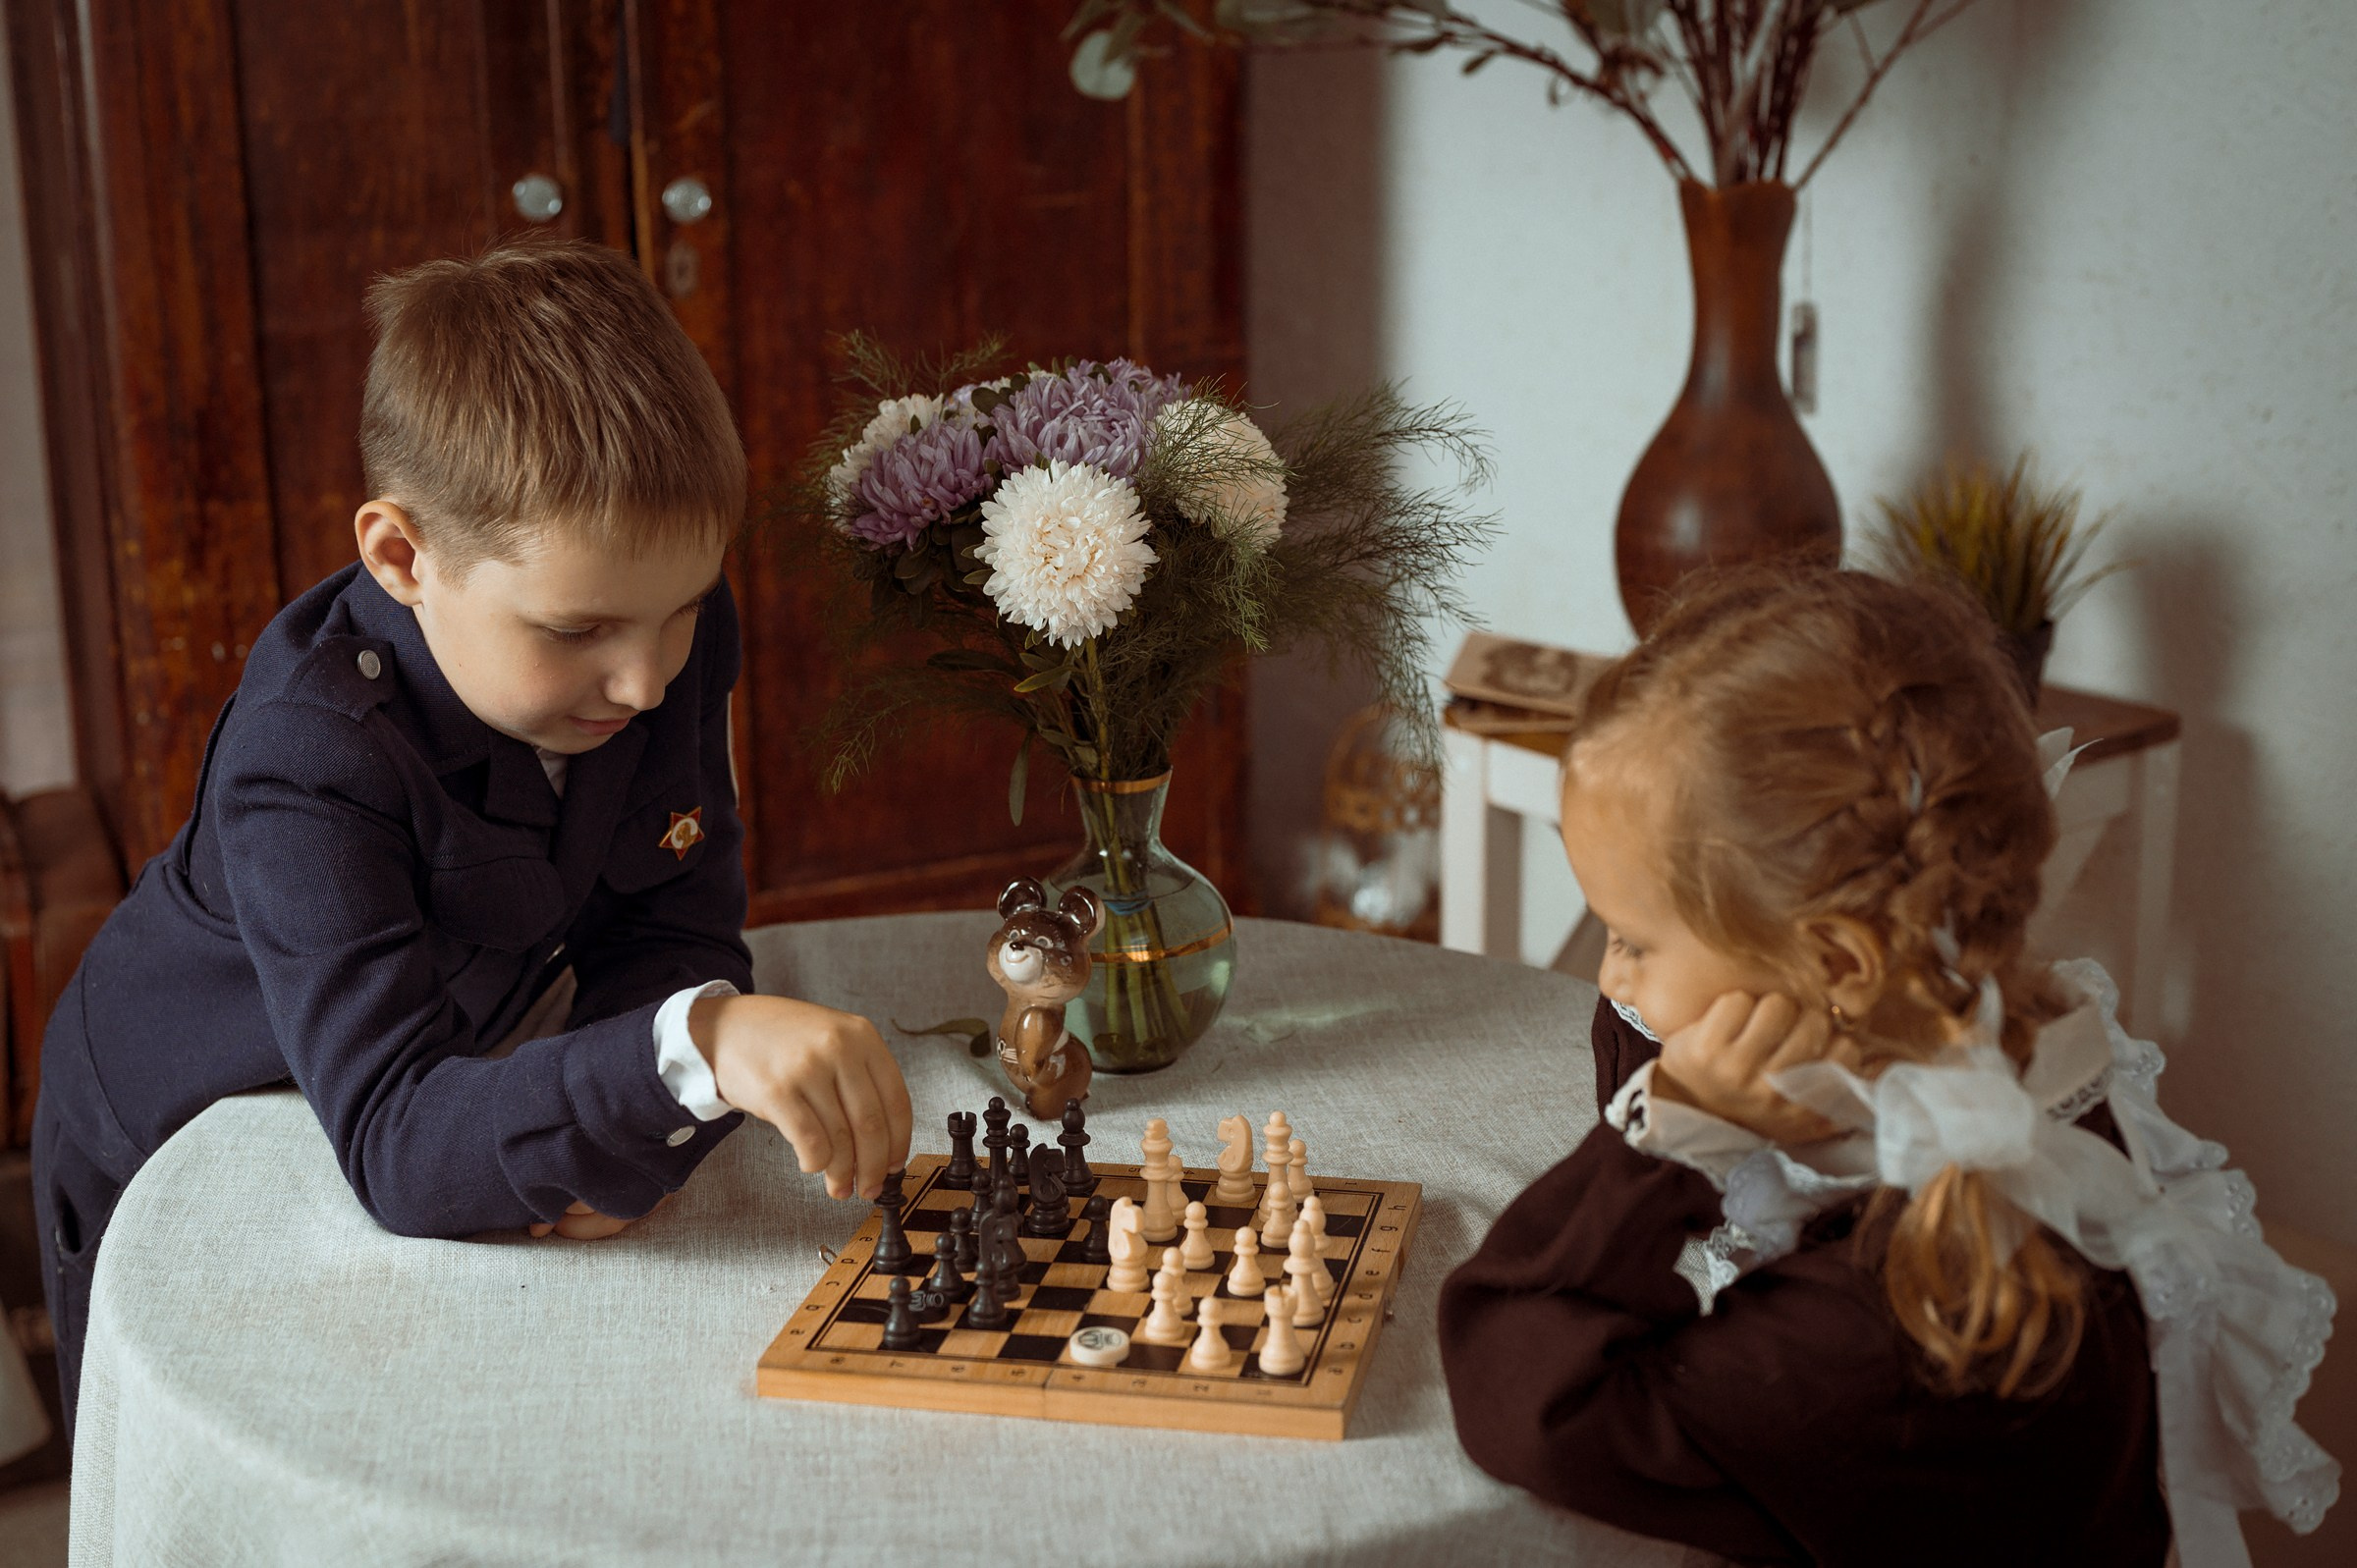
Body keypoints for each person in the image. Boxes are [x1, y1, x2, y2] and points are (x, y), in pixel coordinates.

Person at [33, 238, 913, 1436]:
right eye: (578, 630)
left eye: (683, 610)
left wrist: (637, 1127)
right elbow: (397, 1144)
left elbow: (667, 920)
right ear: (403, 557)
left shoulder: (650, 624)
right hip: (178, 1129)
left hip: (444, 1065)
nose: (648, 683)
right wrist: (694, 1046)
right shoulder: (309, 749)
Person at [1438, 566, 2337, 1566]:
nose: (1609, 976)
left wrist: (1670, 1137)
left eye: (1632, 939)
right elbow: (1634, 1050)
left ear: (1836, 966)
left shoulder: (1889, 1326)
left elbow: (1530, 1396)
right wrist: (1685, 1064)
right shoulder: (2018, 1061)